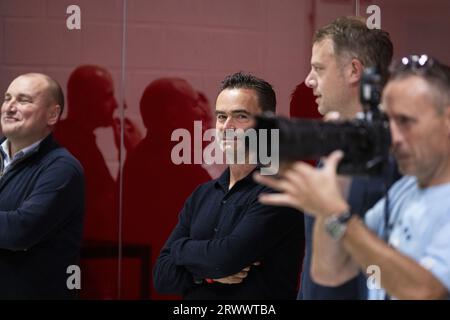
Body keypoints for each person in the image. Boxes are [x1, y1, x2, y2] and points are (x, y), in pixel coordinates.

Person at [255, 55, 450, 299]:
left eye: (406, 122)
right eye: (389, 122)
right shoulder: (406, 191)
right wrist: (334, 190)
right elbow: (331, 272)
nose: (395, 138)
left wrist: (337, 214)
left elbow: (426, 291)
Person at [153, 72, 304, 299]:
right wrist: (203, 275)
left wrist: (180, 248)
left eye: (240, 116)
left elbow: (226, 259)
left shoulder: (279, 191)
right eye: (221, 117)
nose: (227, 126)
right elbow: (161, 276)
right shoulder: (202, 194)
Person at [294, 16, 396, 299]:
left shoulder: (393, 159)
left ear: (354, 71)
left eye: (318, 69)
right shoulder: (335, 152)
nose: (308, 80)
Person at [122, 78, 212, 299]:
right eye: (193, 104)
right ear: (172, 116)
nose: (200, 112)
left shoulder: (140, 158)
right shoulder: (177, 166)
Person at [0, 73, 85, 299]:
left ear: (52, 114)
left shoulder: (62, 169)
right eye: (7, 98)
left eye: (23, 100)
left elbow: (18, 231)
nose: (9, 107)